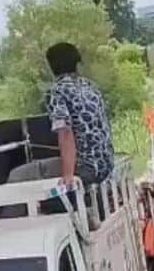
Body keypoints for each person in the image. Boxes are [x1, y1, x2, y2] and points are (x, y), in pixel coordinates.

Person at [45, 42, 115, 187]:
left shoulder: (58, 91)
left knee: (22, 175)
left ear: (52, 65)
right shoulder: (91, 87)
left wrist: (68, 176)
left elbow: (65, 133)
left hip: (87, 167)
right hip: (106, 164)